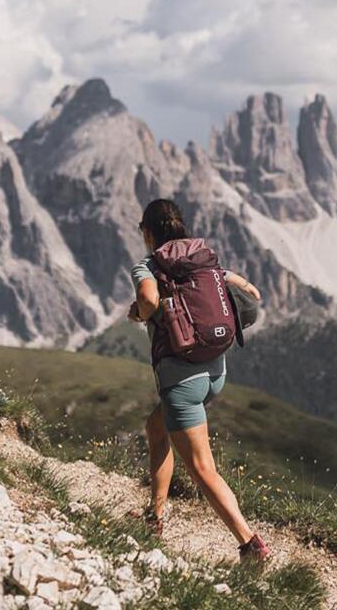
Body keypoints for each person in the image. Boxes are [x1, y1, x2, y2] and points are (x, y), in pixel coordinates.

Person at [128, 197, 271, 564]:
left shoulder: (149, 265)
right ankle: (154, 517)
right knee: (156, 427)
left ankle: (250, 543)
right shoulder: (202, 258)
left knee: (202, 469)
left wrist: (142, 313)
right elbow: (249, 292)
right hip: (214, 370)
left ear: (148, 232)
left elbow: (147, 298)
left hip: (182, 381)